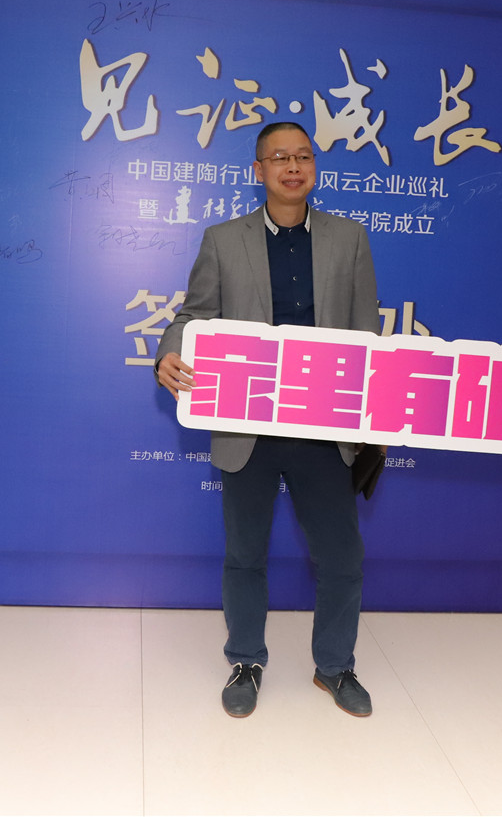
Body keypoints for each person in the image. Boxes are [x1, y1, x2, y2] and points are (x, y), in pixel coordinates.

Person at [155, 120, 381, 719]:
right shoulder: (223, 239)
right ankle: (246, 661)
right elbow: (194, 315)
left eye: (303, 156)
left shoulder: (349, 238)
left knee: (341, 557)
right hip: (246, 424)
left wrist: (371, 417)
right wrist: (169, 351)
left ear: (314, 168)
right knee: (245, 554)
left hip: (325, 426)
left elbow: (366, 331)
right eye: (279, 158)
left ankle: (335, 666)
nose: (293, 167)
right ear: (258, 171)